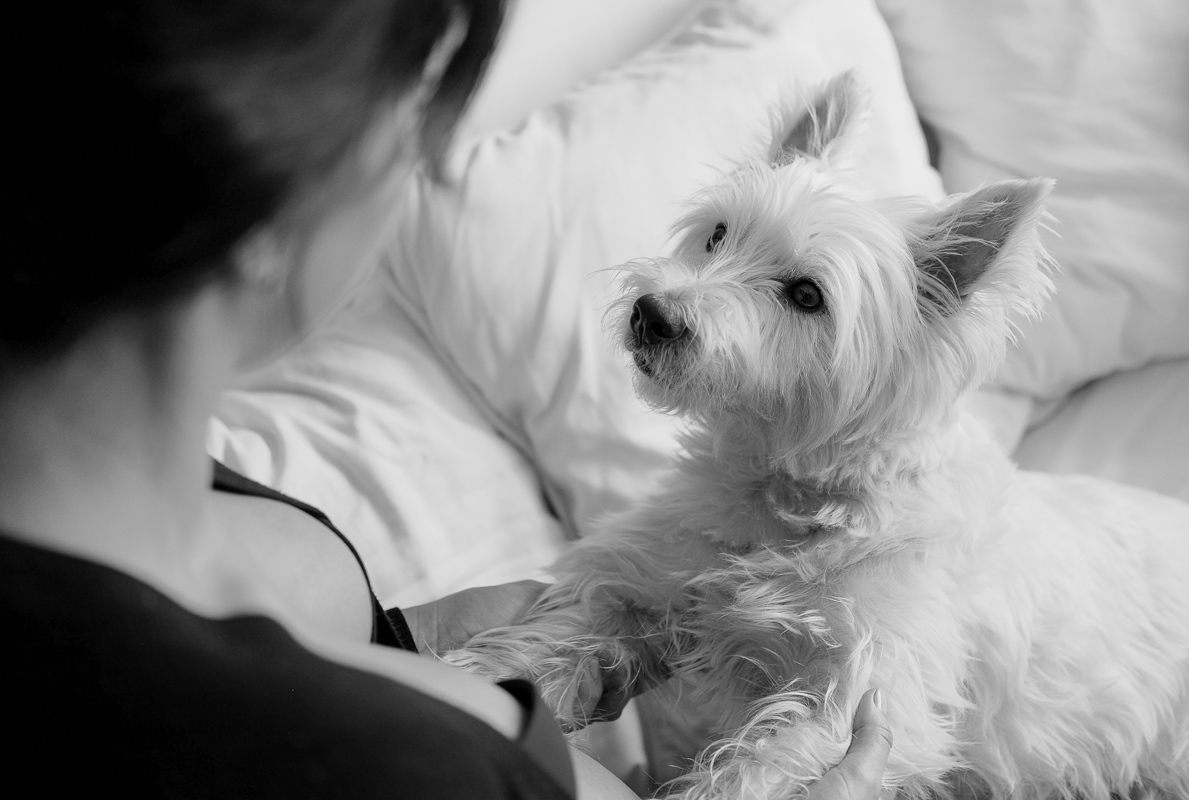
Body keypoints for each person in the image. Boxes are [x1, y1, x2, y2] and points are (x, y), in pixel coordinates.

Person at [0, 1, 891, 796]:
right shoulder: (406, 765)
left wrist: (408, 636)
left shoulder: (129, 468)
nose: (421, 173)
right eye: (409, 127)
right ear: (264, 213)